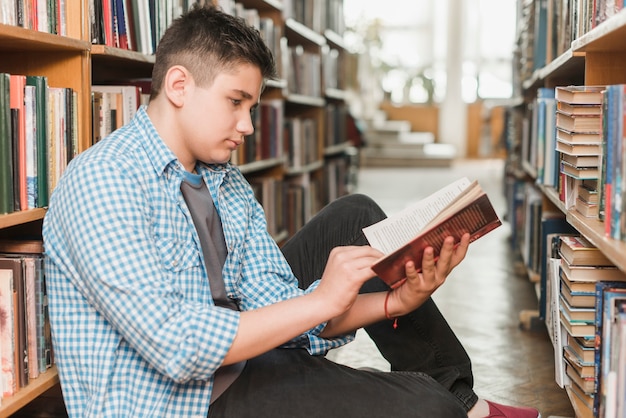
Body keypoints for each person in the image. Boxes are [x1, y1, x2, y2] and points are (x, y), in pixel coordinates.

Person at [42, 4, 541, 418]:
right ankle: (458, 407)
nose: (248, 126)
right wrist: (324, 300)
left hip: (245, 359)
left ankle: (462, 404)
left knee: (355, 218)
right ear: (178, 86)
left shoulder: (225, 181)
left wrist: (393, 304)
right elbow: (177, 348)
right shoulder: (103, 180)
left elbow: (277, 303)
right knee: (429, 408)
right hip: (182, 402)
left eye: (253, 108)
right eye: (235, 102)